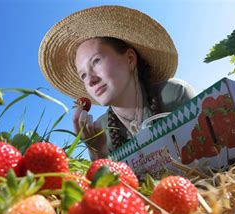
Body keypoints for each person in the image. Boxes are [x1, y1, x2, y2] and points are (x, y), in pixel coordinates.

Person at [38, 5, 195, 160]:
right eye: (83, 75)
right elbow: (109, 183)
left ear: (130, 59)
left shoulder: (174, 94)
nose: (91, 80)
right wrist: (97, 151)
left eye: (96, 61)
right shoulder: (100, 129)